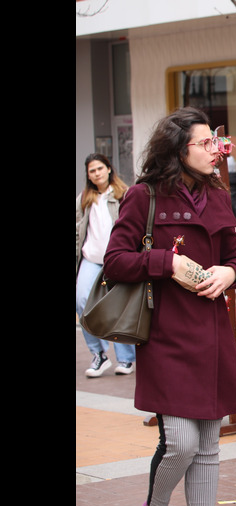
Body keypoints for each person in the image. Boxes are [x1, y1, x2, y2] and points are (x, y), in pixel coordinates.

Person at [104, 106, 236, 506]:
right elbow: (115, 262)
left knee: (208, 444)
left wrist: (229, 275)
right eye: (206, 143)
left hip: (212, 332)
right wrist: (165, 262)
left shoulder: (219, 194)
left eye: (217, 142)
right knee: (181, 443)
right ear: (177, 148)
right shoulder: (144, 196)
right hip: (165, 333)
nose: (216, 150)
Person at [76, 153, 137, 377]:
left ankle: (126, 358)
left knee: (117, 306)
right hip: (90, 259)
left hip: (116, 260)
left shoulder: (124, 194)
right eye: (92, 171)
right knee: (82, 301)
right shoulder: (84, 198)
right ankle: (99, 355)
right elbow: (78, 231)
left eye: (100, 168)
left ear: (109, 169)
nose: (96, 174)